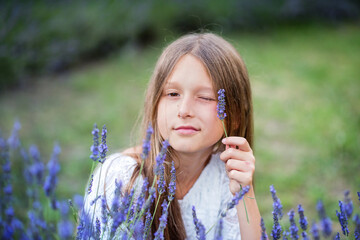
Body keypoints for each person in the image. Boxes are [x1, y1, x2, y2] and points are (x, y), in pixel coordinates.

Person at [84, 32, 261, 239]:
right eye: (173, 94)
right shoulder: (122, 178)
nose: (184, 110)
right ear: (155, 104)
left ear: (235, 115)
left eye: (204, 97)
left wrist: (244, 193)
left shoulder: (226, 178)